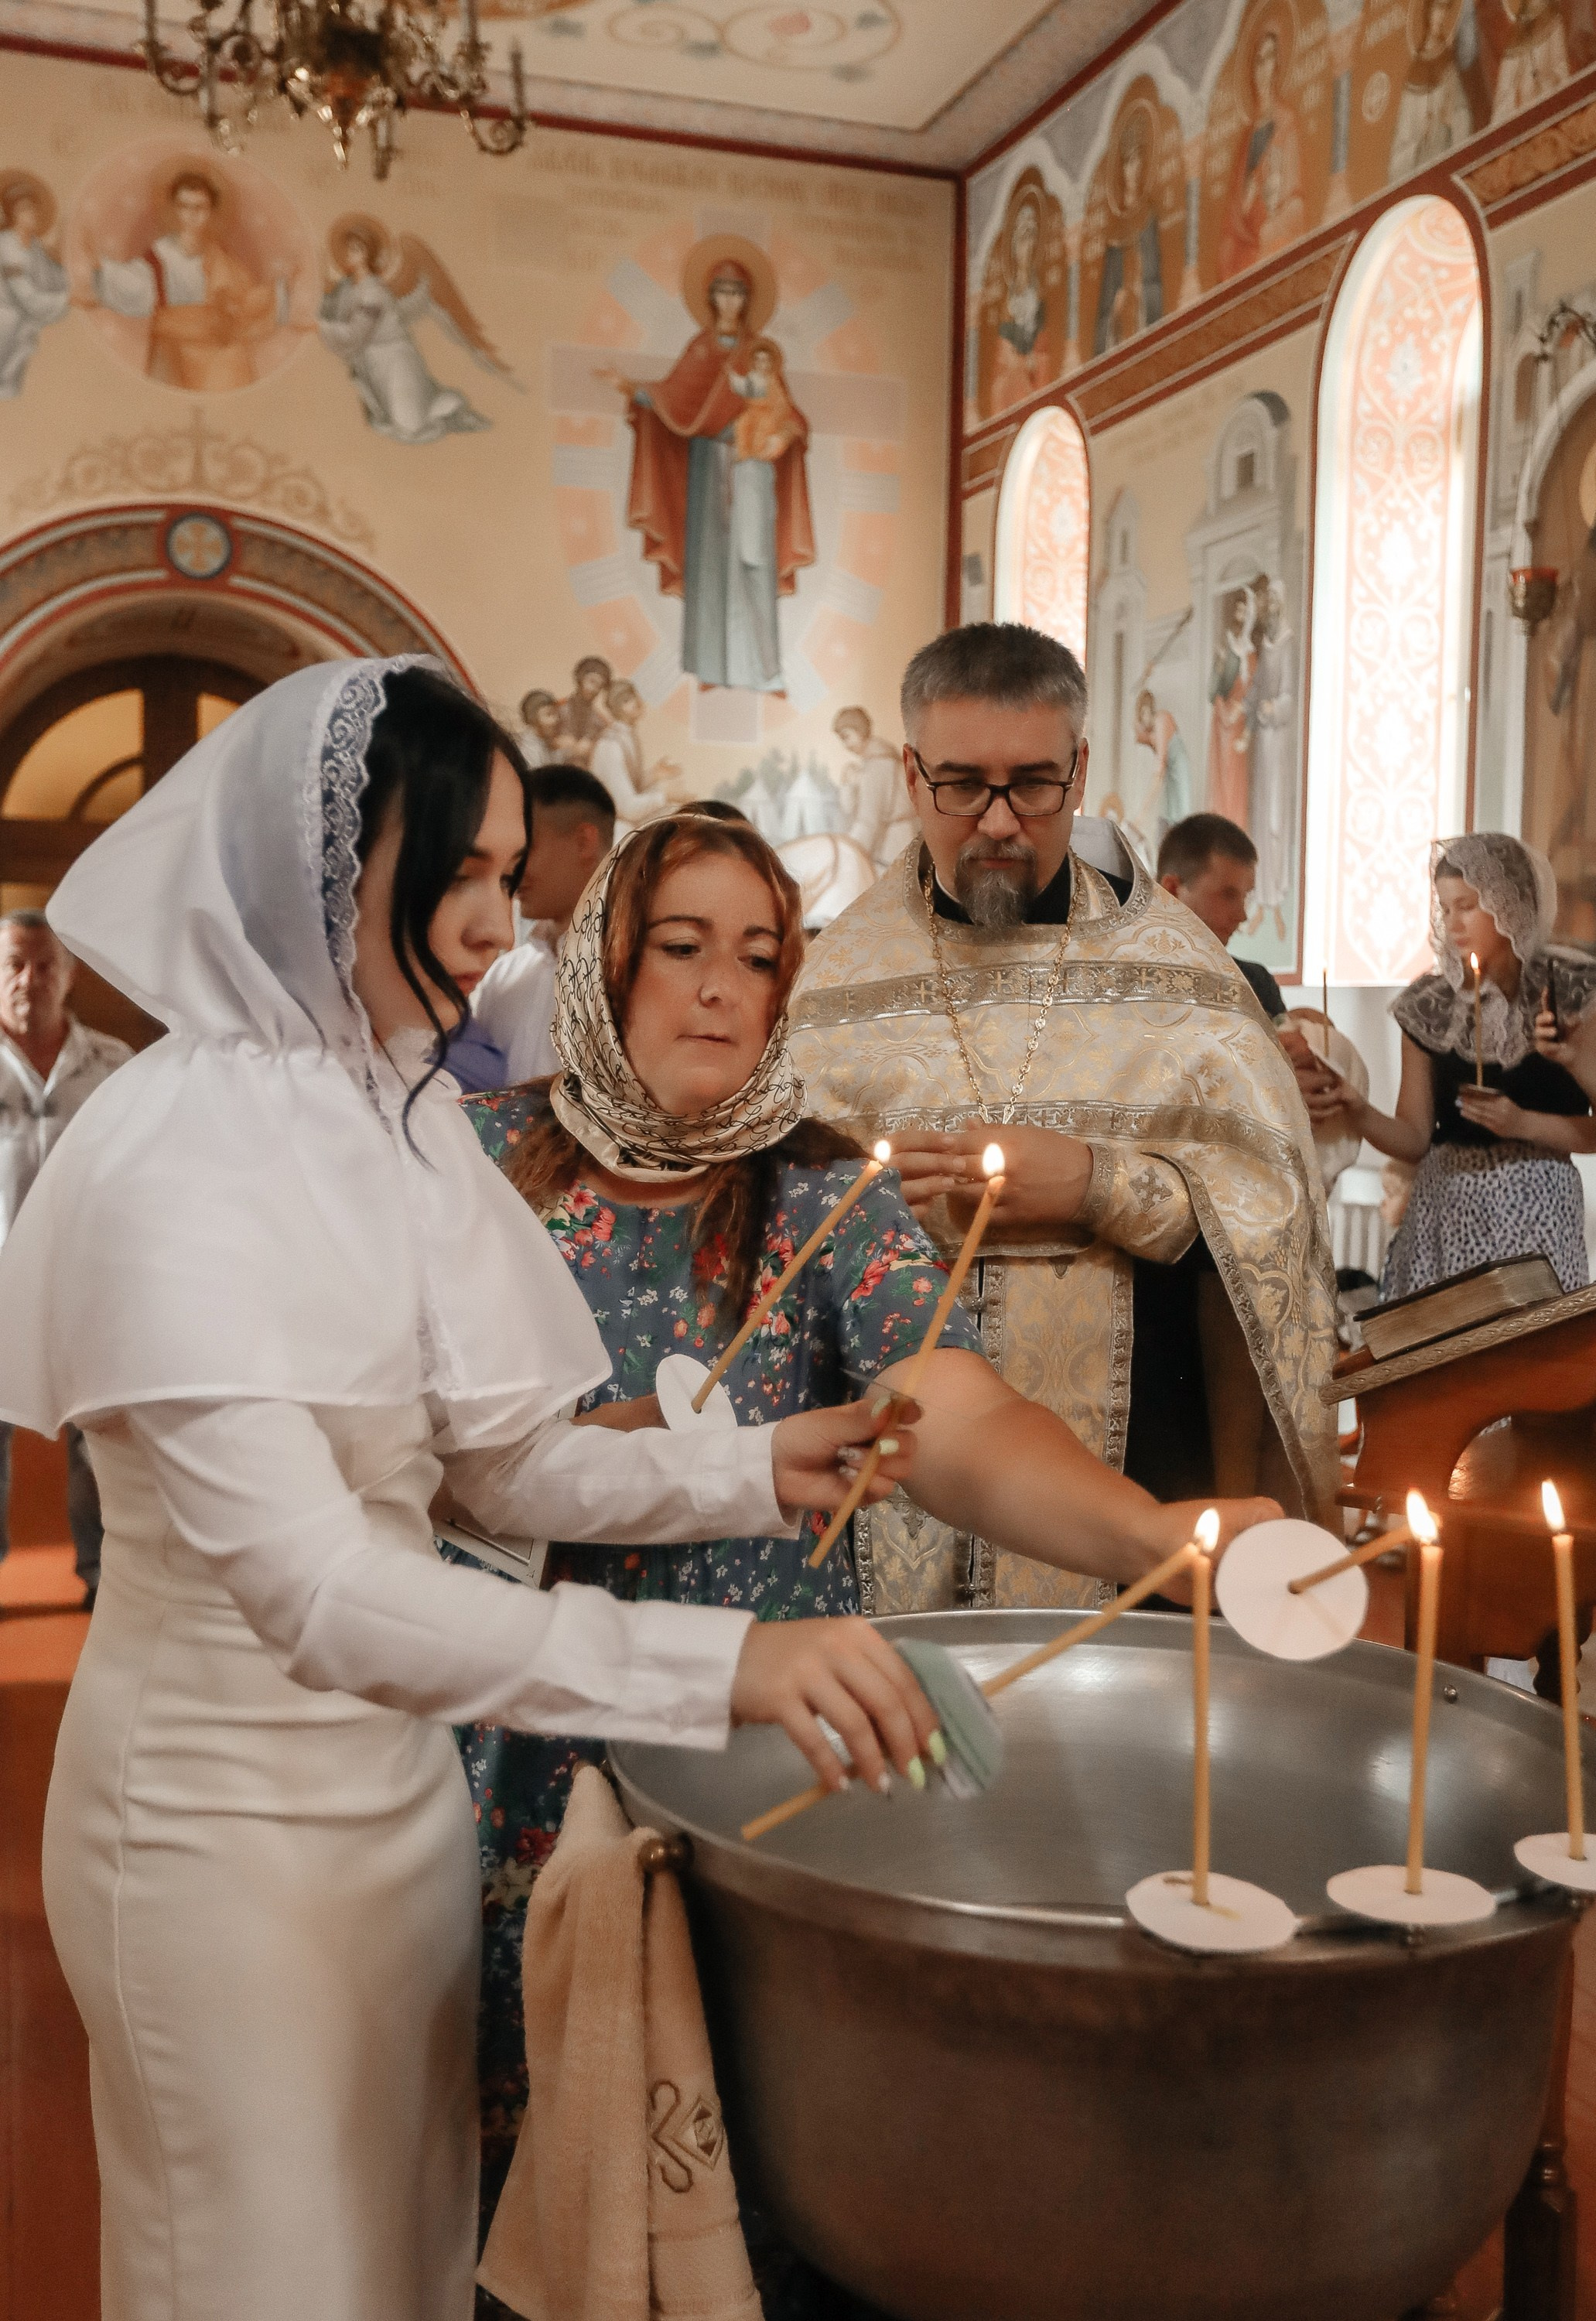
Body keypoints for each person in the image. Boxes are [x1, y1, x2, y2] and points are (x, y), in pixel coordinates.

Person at [0, 657, 941, 2321]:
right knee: (259, 2270)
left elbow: (490, 1466)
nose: (503, 923)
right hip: (221, 1832)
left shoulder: (394, 1114)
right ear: (336, 859)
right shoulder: (176, 1150)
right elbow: (319, 1590)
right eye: (466, 873)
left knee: (406, 2265)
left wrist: (746, 1469)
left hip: (396, 1813)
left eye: (513, 875)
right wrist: (722, 1669)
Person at [452, 809, 1279, 2302]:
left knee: (734, 2162)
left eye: (759, 958)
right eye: (680, 949)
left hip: (748, 1758)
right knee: (507, 2171)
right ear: (606, 961)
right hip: (507, 1738)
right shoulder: (480, 1167)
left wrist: (1155, 1535)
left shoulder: (817, 1191)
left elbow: (944, 1413)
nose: (719, 990)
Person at [790, 623, 1338, 1598]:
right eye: (962, 783)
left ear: (1078, 773)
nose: (998, 821)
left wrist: (1098, 1185)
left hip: (1138, 1456)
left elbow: (1270, 1214)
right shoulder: (832, 980)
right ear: (913, 778)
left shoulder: (1180, 980)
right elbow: (769, 1219)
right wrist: (871, 1193)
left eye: (1032, 782)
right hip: (887, 1476)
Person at [1302, 834, 1596, 1297]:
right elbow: (1414, 1138)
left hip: (1539, 1205)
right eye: (1445, 909)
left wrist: (1524, 1122)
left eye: (1468, 906)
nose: (1454, 923)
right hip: (1449, 1207)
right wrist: (1357, 1108)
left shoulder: (1570, 991)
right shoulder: (1430, 1004)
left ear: (1511, 905)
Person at [603, 258, 815, 693]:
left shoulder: (760, 355)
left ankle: (766, 669)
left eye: (737, 293)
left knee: (754, 564)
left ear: (747, 300)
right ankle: (711, 668)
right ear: (710, 298)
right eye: (722, 291)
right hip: (707, 466)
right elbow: (676, 400)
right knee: (710, 566)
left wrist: (786, 435)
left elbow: (785, 412)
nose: (729, 301)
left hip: (750, 470)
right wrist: (634, 391)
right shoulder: (700, 350)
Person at [0, 911, 129, 1603]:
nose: (29, 980)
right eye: (14, 964)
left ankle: (102, 1576)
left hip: (85, 1290)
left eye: (45, 964)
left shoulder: (114, 1067)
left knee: (98, 1444)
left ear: (70, 973)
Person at [451, 764, 617, 1093]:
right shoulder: (503, 974)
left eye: (524, 852)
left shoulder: (633, 971)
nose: (513, 873)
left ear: (584, 841)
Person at [90, 166, 290, 391]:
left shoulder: (220, 258)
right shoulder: (159, 256)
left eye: (200, 207)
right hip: (173, 345)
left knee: (235, 366)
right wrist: (103, 270)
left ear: (211, 211)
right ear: (175, 209)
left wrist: (280, 292)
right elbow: (134, 285)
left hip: (215, 345)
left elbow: (245, 301)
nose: (192, 214)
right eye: (185, 206)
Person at [1158, 812, 1283, 1017]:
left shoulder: (1257, 985)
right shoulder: (1132, 980)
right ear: (1172, 891)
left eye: (1246, 896)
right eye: (1228, 895)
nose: (1242, 915)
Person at [0, 176, 69, 399]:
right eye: (25, 210)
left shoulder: (35, 245)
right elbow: (28, 299)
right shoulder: (7, 247)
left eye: (34, 209)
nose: (33, 215)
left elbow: (53, 279)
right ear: (13, 215)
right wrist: (70, 298)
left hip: (21, 331)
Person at [590, 677, 687, 828]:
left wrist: (655, 774)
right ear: (616, 708)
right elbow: (627, 808)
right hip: (613, 828)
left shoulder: (627, 735)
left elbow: (632, 785)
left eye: (634, 697)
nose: (637, 703)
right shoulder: (609, 745)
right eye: (626, 701)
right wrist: (667, 795)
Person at [835, 703, 918, 870]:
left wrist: (849, 855)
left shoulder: (878, 766)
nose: (845, 745)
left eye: (846, 737)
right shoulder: (882, 761)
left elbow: (868, 820)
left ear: (860, 731)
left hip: (893, 848)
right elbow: (854, 811)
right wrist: (849, 786)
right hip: (902, 842)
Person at [557, 655, 612, 764]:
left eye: (599, 686)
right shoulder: (558, 709)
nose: (594, 689)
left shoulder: (601, 722)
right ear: (581, 678)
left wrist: (592, 748)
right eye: (592, 682)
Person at [516, 688, 562, 769]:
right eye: (549, 714)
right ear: (533, 718)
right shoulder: (527, 748)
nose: (556, 720)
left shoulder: (549, 741)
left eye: (556, 713)